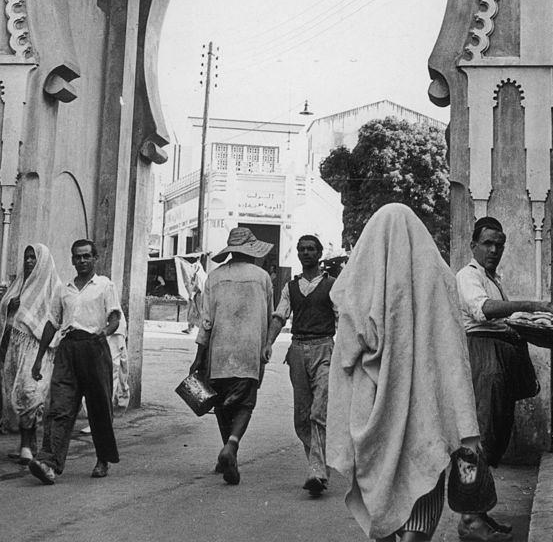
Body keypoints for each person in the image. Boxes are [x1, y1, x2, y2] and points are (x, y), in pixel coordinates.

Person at [327, 204, 482, 542]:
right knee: (422, 488)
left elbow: (346, 354)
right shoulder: (439, 277)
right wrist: (465, 425)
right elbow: (453, 357)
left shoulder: (360, 285)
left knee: (381, 500)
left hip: (376, 416)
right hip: (426, 416)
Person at [455, 217, 547, 541]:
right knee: (477, 440)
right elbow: (483, 310)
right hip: (482, 357)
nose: (495, 250)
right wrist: (528, 305)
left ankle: (478, 513)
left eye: (499, 244)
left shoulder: (492, 277)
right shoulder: (467, 277)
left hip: (500, 357)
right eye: (488, 243)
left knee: (494, 439)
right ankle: (469, 518)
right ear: (473, 245)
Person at [27, 239, 121, 484]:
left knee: (99, 407)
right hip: (68, 350)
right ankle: (49, 462)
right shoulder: (64, 289)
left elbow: (114, 317)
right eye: (77, 257)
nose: (82, 261)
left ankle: (103, 459)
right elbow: (52, 323)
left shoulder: (104, 285)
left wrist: (105, 332)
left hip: (94, 348)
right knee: (59, 406)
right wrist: (39, 358)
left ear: (94, 258)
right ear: (72, 259)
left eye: (86, 256)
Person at [188, 226, 274, 486]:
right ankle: (232, 447)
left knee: (221, 404)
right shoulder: (262, 278)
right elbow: (269, 318)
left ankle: (227, 451)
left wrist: (198, 356)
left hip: (219, 352)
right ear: (251, 251)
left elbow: (206, 322)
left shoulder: (214, 277)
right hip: (249, 351)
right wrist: (265, 345)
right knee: (245, 404)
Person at [264, 233, 336, 496]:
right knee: (302, 416)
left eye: (311, 249)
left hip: (324, 348)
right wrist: (268, 343)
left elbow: (344, 317)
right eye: (302, 249)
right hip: (297, 349)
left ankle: (317, 471)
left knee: (319, 410)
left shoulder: (332, 285)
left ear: (319, 254)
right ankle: (318, 464)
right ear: (298, 253)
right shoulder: (290, 287)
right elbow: (279, 316)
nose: (306, 253)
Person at [0, 244, 62, 464]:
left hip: (38, 349)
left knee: (30, 393)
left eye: (33, 258)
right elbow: (5, 320)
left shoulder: (54, 288)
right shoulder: (17, 285)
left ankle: (28, 445)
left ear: (43, 262)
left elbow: (56, 321)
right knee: (14, 395)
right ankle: (27, 443)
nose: (29, 262)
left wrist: (43, 354)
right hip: (15, 348)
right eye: (26, 257)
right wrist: (11, 307)